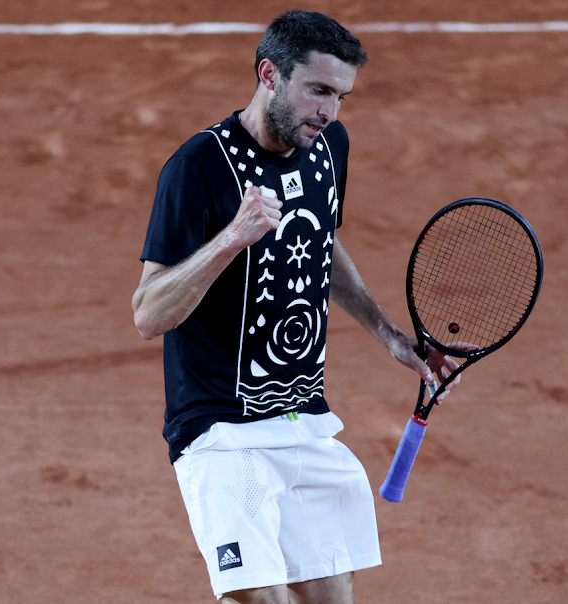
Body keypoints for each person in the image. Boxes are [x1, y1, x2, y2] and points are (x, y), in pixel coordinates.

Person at [132, 10, 462, 604]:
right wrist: (232, 238)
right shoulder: (198, 168)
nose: (329, 112)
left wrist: (390, 335)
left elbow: (321, 244)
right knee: (264, 599)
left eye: (340, 96)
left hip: (302, 418)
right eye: (317, 90)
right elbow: (149, 314)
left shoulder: (328, 146)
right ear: (269, 75)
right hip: (218, 427)